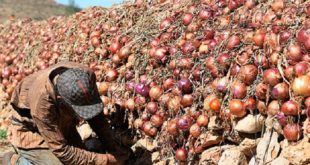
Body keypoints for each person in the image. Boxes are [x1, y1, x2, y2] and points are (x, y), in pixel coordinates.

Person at [2, 62, 132, 165]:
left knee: (82, 159)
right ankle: (15, 161)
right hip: (31, 129)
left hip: (60, 122)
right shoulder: (42, 104)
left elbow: (97, 117)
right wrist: (107, 160)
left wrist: (113, 148)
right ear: (60, 100)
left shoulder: (85, 76)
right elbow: (62, 151)